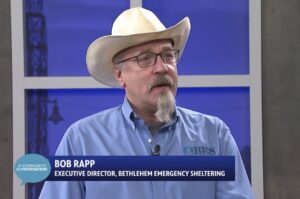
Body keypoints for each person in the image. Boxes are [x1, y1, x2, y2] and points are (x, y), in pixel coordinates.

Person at [39, 7, 254, 199]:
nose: (162, 68)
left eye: (168, 56)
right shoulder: (81, 142)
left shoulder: (214, 135)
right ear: (120, 75)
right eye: (146, 58)